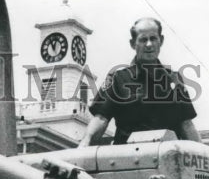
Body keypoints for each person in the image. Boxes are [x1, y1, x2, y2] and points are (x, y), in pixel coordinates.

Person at [78, 17, 201, 146]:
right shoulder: (118, 78)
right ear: (133, 44)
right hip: (129, 160)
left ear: (161, 41)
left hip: (169, 158)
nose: (149, 44)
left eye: (153, 38)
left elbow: (186, 124)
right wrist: (84, 144)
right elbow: (101, 118)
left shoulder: (174, 80)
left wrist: (204, 153)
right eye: (143, 39)